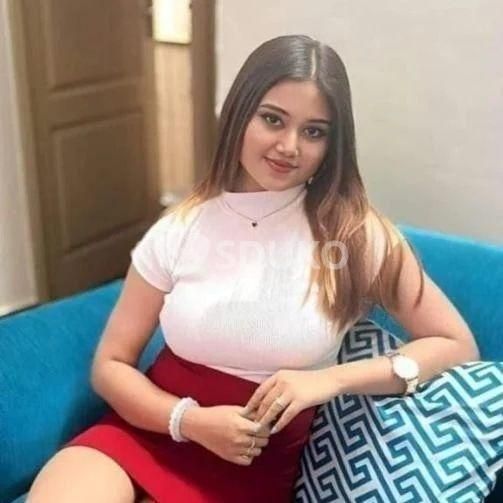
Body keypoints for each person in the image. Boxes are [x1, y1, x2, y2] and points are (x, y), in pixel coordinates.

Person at [27, 34, 479, 503]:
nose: (289, 146)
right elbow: (111, 365)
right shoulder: (180, 227)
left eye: (314, 132)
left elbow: (455, 343)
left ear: (333, 144)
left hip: (249, 470)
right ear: (240, 114)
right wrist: (189, 421)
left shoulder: (356, 235)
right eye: (272, 119)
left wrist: (330, 380)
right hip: (149, 430)